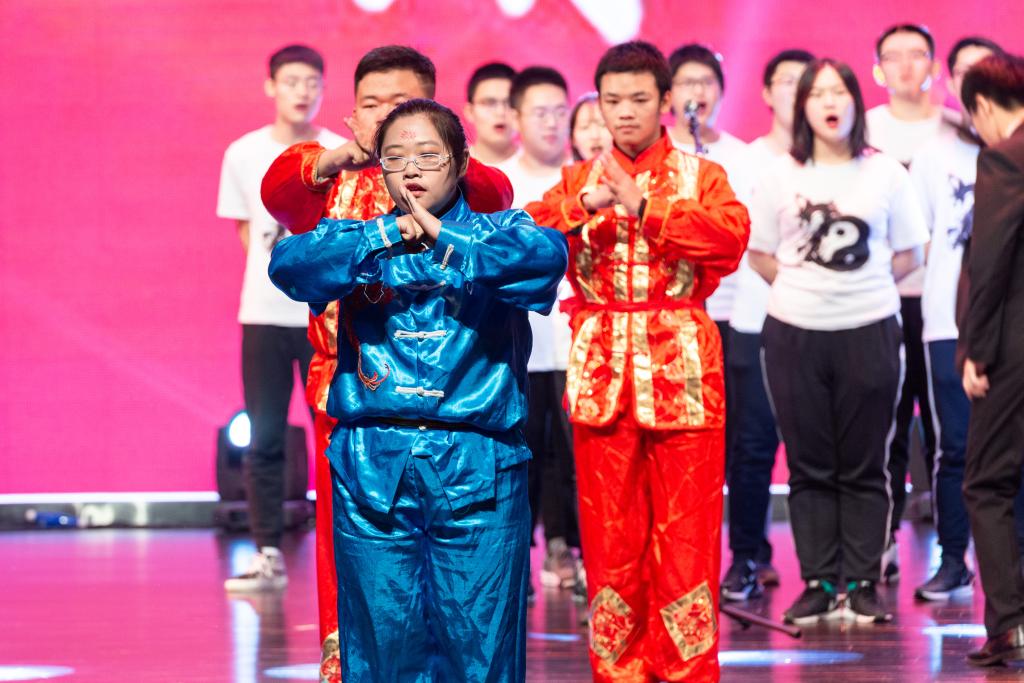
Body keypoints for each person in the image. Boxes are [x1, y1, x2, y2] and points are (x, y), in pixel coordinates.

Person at [269, 97, 568, 682]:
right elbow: (290, 265)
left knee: (480, 646)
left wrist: (443, 236)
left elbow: (543, 262)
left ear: (461, 163)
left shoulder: (501, 230)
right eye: (395, 156)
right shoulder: (360, 237)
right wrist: (389, 230)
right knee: (381, 643)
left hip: (479, 462)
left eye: (428, 155)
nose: (410, 169)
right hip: (373, 463)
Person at [525, 40, 749, 683]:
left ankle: (686, 670)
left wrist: (645, 206)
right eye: (613, 100)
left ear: (666, 102)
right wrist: (586, 206)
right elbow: (524, 238)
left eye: (639, 99)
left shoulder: (702, 176)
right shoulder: (576, 181)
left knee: (688, 535)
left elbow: (730, 238)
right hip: (601, 371)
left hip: (684, 371)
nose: (625, 112)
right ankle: (618, 669)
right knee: (608, 536)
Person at [748, 58, 928, 625]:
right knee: (809, 462)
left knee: (866, 461)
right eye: (818, 93)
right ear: (803, 107)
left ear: (855, 101)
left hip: (870, 328)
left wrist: (861, 290)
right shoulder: (779, 174)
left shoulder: (885, 173)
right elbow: (760, 253)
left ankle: (865, 580)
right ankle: (821, 581)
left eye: (840, 91)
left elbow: (911, 253)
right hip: (793, 333)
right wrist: (805, 291)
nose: (830, 102)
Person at [216, 45, 344, 598]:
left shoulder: (338, 151)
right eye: (291, 81)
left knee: (335, 429)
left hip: (325, 315)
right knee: (265, 433)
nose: (302, 91)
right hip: (264, 316)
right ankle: (267, 551)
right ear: (271, 86)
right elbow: (247, 232)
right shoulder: (243, 153)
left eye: (312, 81)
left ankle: (344, 549)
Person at [911, 37, 1010, 602]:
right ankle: (953, 559)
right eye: (964, 74)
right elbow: (919, 242)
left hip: (1008, 326)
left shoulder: (1011, 151)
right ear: (950, 84)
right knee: (955, 448)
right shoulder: (933, 156)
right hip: (948, 322)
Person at [719, 48, 813, 603]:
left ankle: (829, 568)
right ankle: (746, 557)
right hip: (755, 319)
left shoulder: (837, 163)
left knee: (816, 447)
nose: (798, 92)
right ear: (767, 92)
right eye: (787, 81)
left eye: (809, 82)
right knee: (752, 448)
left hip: (822, 324)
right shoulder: (745, 161)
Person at [867, 24, 955, 582]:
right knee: (889, 428)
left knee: (950, 433)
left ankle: (954, 550)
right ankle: (884, 543)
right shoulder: (864, 130)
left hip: (944, 301)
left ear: (935, 66)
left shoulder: (955, 130)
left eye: (916, 55)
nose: (905, 66)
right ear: (878, 69)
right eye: (893, 57)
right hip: (883, 299)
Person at [498, 66, 580, 594]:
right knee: (520, 450)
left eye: (559, 112)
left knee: (568, 455)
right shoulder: (498, 183)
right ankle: (516, 558)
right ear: (516, 118)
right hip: (519, 343)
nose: (552, 123)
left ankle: (565, 546)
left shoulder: (585, 179)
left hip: (576, 342)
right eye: (540, 112)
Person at [958, 52, 1024, 667]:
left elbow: (991, 262)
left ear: (981, 105)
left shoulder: (1006, 156)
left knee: (986, 481)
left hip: (1013, 348)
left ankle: (1009, 623)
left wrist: (975, 351)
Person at [464, 61, 518, 165]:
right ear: (470, 111)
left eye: (510, 103)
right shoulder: (453, 168)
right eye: (489, 103)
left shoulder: (543, 166)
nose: (500, 112)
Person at [569, 92, 612, 162]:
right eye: (584, 127)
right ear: (573, 139)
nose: (595, 135)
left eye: (603, 125)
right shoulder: (565, 168)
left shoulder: (630, 168)